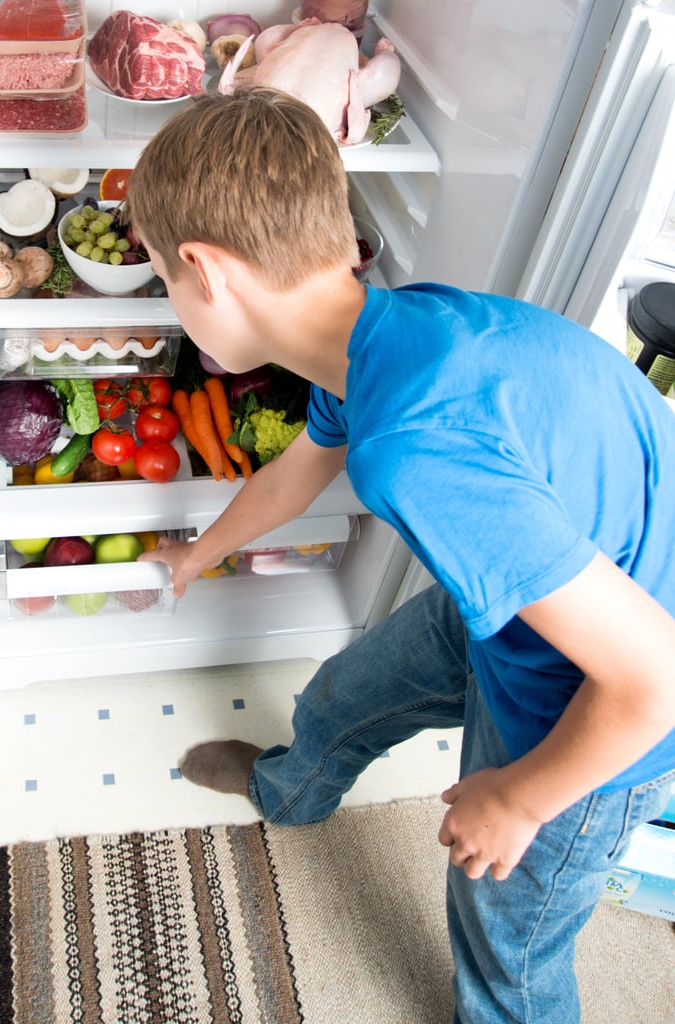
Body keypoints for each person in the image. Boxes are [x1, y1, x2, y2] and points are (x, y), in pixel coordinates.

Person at [127, 88, 675, 1023]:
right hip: (548, 601)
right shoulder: (386, 333)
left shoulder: (415, 446)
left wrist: (516, 796)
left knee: (508, 934)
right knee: (352, 691)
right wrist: (195, 553)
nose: (173, 305)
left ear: (206, 271)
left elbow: (653, 677)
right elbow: (296, 473)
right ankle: (289, 788)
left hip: (601, 708)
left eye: (162, 280)